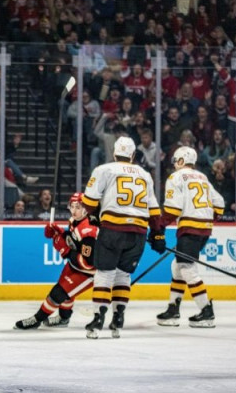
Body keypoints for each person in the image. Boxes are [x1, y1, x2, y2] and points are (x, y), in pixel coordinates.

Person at [81, 136, 165, 339]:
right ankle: (118, 318)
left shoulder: (105, 169)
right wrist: (158, 234)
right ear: (133, 155)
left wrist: (93, 215)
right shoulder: (145, 174)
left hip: (112, 229)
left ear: (114, 153)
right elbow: (154, 210)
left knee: (104, 273)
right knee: (123, 275)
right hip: (137, 232)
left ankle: (98, 318)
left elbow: (89, 201)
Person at [156, 146, 225, 328]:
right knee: (177, 266)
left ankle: (206, 311)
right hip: (204, 229)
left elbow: (173, 209)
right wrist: (207, 218)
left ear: (180, 161)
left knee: (187, 268)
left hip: (189, 229)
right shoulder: (203, 178)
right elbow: (220, 204)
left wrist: (159, 225)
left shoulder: (175, 177)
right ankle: (173, 308)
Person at [15, 193, 98, 329]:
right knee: (66, 293)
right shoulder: (74, 220)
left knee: (58, 293)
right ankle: (63, 319)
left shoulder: (89, 229)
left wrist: (66, 251)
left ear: (86, 208)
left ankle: (37, 319)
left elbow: (89, 262)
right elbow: (73, 239)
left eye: (78, 207)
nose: (74, 210)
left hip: (89, 273)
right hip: (75, 266)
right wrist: (58, 232)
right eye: (72, 206)